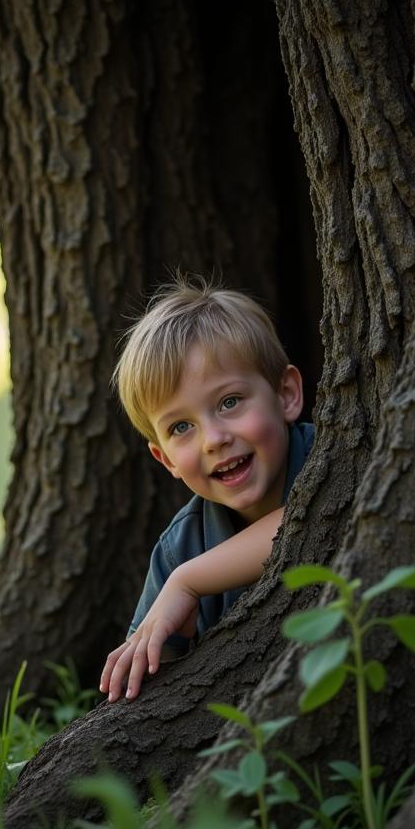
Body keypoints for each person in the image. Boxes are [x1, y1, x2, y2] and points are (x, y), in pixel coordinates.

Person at [100, 276, 314, 703]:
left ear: (286, 394)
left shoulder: (330, 457)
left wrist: (190, 582)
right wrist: (171, 648)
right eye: (182, 427)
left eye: (230, 402)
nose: (213, 438)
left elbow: (322, 514)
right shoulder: (179, 549)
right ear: (166, 461)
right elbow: (147, 677)